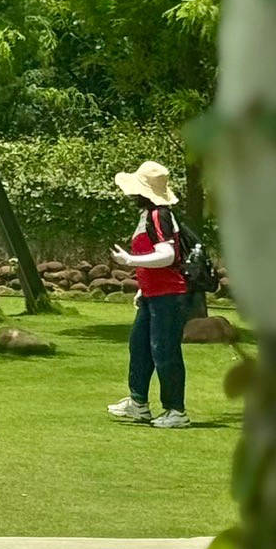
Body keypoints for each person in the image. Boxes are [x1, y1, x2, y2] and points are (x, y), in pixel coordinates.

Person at [105, 160, 191, 429]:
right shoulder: (149, 215)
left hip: (169, 295)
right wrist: (143, 287)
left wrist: (129, 260)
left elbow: (167, 255)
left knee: (164, 351)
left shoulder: (159, 216)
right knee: (140, 345)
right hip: (154, 293)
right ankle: (138, 402)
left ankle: (176, 411)